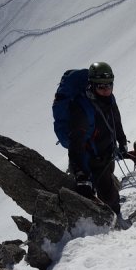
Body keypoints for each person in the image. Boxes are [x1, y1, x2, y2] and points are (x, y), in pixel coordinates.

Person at [54, 61, 130, 228]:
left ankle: (114, 217)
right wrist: (81, 174)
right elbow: (76, 145)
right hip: (88, 157)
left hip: (106, 153)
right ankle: (107, 226)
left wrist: (122, 141)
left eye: (109, 85)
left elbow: (115, 119)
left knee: (108, 189)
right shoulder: (81, 108)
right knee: (96, 194)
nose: (106, 90)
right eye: (102, 86)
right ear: (92, 85)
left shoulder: (109, 99)